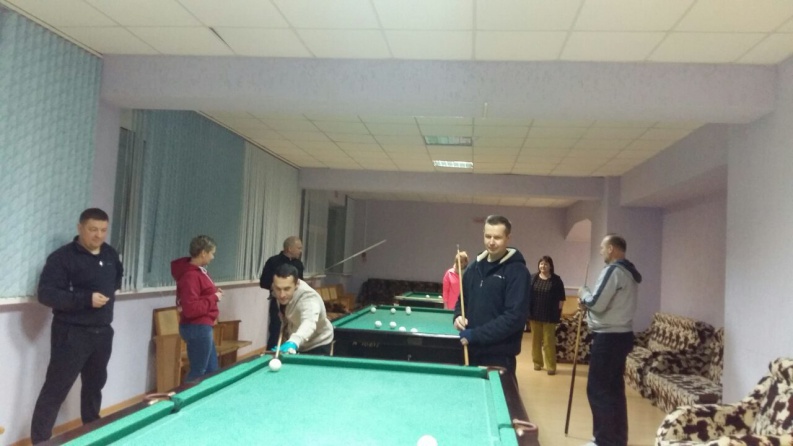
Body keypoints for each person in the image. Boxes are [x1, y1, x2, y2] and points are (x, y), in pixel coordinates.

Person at [31, 208, 123, 444]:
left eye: (103, 230)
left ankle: (92, 435)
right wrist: (85, 299)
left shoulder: (110, 254)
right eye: (93, 229)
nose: (98, 235)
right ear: (80, 228)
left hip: (103, 333)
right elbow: (46, 294)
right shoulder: (62, 258)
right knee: (55, 390)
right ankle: (40, 441)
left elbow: (116, 281)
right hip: (71, 333)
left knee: (94, 388)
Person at [578, 234, 642, 446]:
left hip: (608, 338)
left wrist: (583, 293)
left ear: (611, 249)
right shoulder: (630, 273)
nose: (600, 251)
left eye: (602, 247)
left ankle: (603, 440)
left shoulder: (613, 270)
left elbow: (596, 303)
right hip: (622, 336)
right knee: (614, 391)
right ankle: (617, 440)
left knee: (598, 390)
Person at [453, 215, 531, 377]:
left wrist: (475, 335)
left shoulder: (518, 272)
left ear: (508, 238)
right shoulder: (473, 268)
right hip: (470, 351)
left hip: (499, 357)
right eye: (488, 236)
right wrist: (458, 315)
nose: (491, 242)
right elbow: (463, 300)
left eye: (497, 237)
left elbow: (514, 318)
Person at [171, 235, 223, 382]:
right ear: (203, 253)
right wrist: (214, 297)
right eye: (212, 253)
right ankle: (184, 395)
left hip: (202, 326)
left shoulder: (198, 272)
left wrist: (213, 294)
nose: (213, 257)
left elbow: (199, 296)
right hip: (197, 327)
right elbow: (191, 309)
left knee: (212, 370)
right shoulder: (190, 276)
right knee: (198, 372)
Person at [270, 264, 333, 355]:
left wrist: (294, 341)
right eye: (278, 289)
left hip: (318, 343)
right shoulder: (278, 290)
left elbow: (309, 322)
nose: (281, 295)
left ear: (297, 284)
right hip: (295, 343)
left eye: (287, 289)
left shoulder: (308, 297)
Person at [260, 236, 304, 350]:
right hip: (277, 301)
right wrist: (278, 289)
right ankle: (271, 354)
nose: (300, 251)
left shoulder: (299, 264)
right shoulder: (273, 261)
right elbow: (263, 282)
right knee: (275, 330)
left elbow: (301, 284)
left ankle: (292, 351)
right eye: (299, 248)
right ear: (290, 248)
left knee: (295, 329)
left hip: (295, 303)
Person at [528, 255, 566, 375]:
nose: (543, 266)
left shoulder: (556, 280)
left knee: (548, 342)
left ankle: (551, 366)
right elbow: (527, 295)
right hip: (534, 314)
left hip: (550, 315)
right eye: (541, 264)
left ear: (550, 266)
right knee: (535, 341)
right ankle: (537, 363)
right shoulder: (533, 278)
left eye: (545, 264)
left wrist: (559, 312)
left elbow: (561, 298)